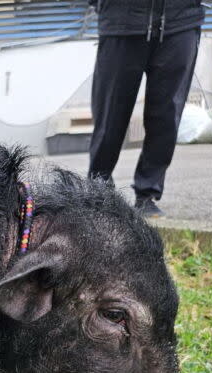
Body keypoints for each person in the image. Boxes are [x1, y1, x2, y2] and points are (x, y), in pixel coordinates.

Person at [88, 0, 205, 217]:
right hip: (122, 21)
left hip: (180, 20)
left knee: (167, 116)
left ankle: (147, 194)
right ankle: (99, 189)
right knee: (110, 115)